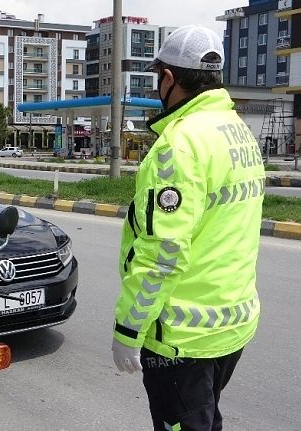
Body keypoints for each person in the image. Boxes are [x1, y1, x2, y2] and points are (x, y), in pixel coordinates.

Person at [111, 25, 265, 431]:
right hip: (232, 326)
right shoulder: (239, 132)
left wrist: (128, 329)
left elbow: (162, 253)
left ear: (168, 77)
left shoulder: (178, 146)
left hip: (181, 338)